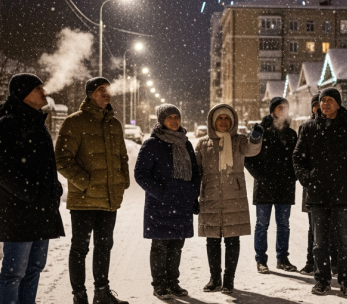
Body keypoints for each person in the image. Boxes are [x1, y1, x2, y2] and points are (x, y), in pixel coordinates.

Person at [0, 74, 65, 304]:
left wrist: (54, 188)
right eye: (38, 88)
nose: (44, 92)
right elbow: (0, 170)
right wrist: (31, 193)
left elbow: (43, 165)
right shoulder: (8, 124)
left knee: (34, 269)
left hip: (41, 211)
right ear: (24, 94)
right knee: (14, 273)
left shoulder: (37, 122)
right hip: (18, 212)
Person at [55, 77, 129, 304]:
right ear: (89, 94)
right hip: (84, 200)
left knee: (104, 246)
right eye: (100, 90)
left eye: (108, 90)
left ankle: (102, 293)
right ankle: (79, 296)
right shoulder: (74, 122)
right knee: (80, 248)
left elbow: (122, 157)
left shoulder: (114, 124)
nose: (106, 93)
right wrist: (84, 184)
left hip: (108, 198)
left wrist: (122, 181)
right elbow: (62, 159)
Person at [293, 88, 347, 297]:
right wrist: (307, 181)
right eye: (322, 100)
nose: (325, 104)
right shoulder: (308, 128)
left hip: (343, 196)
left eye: (329, 100)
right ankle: (322, 281)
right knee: (320, 243)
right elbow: (297, 159)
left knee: (345, 243)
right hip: (317, 195)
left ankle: (346, 281)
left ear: (338, 103)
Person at [134, 104, 202, 300]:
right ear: (161, 120)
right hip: (160, 204)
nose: (174, 120)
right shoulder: (152, 144)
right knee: (160, 246)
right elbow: (140, 174)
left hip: (182, 203)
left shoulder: (185, 143)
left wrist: (192, 195)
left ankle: (173, 282)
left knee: (176, 245)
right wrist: (162, 192)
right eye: (170, 117)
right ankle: (159, 285)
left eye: (177, 117)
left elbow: (194, 173)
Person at [196, 104, 263, 294]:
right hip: (210, 198)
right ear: (212, 121)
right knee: (212, 240)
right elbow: (197, 171)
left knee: (232, 240)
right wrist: (193, 195)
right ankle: (214, 278)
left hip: (234, 197)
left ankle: (229, 280)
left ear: (232, 121)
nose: (224, 121)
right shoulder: (202, 143)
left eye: (227, 118)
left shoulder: (239, 141)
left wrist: (256, 138)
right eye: (220, 118)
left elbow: (252, 149)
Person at [244, 97, 299, 274]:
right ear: (272, 110)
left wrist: (293, 176)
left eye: (285, 107)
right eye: (278, 108)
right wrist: (260, 176)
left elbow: (297, 159)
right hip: (264, 186)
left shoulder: (291, 134)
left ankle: (282, 258)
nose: (282, 110)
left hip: (285, 186)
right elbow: (248, 157)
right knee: (262, 225)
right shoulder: (260, 131)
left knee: (283, 225)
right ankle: (261, 260)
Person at [299, 93, 340, 276]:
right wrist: (307, 177)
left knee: (334, 228)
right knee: (313, 229)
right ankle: (312, 262)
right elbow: (299, 157)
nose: (319, 108)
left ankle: (335, 262)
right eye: (315, 105)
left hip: (333, 187)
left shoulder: (335, 127)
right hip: (312, 188)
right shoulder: (307, 128)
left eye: (321, 104)